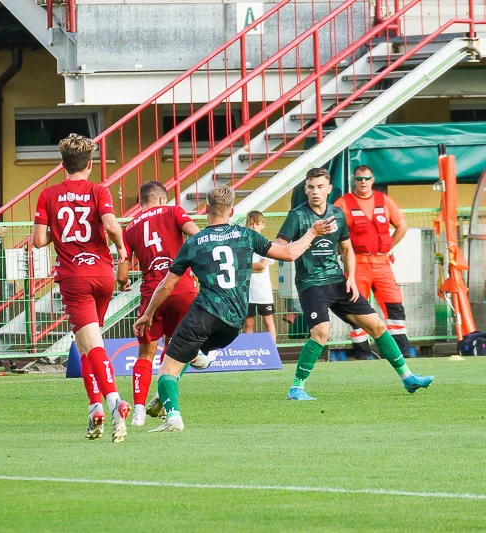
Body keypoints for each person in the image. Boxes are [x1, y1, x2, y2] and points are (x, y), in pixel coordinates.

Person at [134, 185, 331, 432]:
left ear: (206, 209)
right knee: (188, 352)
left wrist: (148, 313)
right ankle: (186, 372)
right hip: (233, 323)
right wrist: (312, 232)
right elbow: (290, 253)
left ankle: (173, 415)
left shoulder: (194, 242)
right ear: (232, 211)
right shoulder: (246, 235)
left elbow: (166, 285)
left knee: (167, 368)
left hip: (205, 312)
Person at [276, 168, 433, 401]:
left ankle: (408, 378)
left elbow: (347, 248)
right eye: (311, 187)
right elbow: (280, 247)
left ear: (329, 189)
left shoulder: (337, 214)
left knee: (378, 326)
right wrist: (306, 238)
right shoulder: (297, 216)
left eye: (320, 187)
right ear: (305, 189)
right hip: (311, 283)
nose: (315, 191)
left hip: (339, 281)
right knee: (321, 332)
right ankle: (296, 388)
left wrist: (350, 276)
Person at [33, 133, 131, 443]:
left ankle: (114, 402)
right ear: (89, 165)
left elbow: (38, 241)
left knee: (92, 344)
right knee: (87, 343)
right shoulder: (98, 190)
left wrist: (59, 231)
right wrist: (122, 252)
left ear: (63, 164)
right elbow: (113, 226)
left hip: (75, 277)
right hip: (102, 274)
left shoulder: (47, 195)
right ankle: (94, 409)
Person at [116, 181, 201, 427]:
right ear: (163, 199)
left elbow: (122, 273)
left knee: (145, 354)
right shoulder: (173, 211)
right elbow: (195, 233)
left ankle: (139, 412)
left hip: (151, 294)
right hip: (181, 288)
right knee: (177, 348)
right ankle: (165, 400)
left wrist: (123, 283)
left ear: (140, 203)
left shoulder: (129, 227)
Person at [333, 165, 411, 359]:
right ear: (354, 180)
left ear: (373, 179)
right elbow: (334, 232)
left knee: (394, 304)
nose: (363, 182)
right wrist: (342, 254)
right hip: (357, 262)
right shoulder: (344, 203)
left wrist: (388, 246)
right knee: (357, 305)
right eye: (359, 178)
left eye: (367, 178)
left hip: (382, 262)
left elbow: (402, 226)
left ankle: (400, 351)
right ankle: (362, 352)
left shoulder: (383, 200)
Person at [243, 211, 277, 341]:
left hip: (263, 292)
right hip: (248, 291)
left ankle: (273, 351)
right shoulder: (244, 245)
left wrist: (246, 266)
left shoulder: (266, 244)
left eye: (257, 224)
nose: (253, 227)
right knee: (248, 322)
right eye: (251, 224)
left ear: (263, 225)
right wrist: (253, 266)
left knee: (268, 321)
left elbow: (262, 266)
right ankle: (248, 350)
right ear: (247, 225)